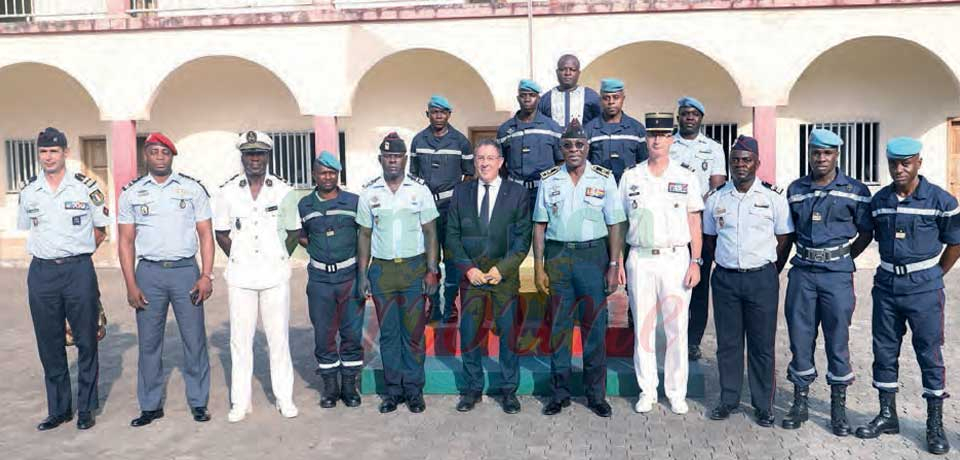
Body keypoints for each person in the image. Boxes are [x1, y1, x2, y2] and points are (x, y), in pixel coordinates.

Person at [855, 137, 959, 455]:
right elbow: (866, 234)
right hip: (887, 286)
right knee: (884, 352)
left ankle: (935, 425)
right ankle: (887, 416)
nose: (899, 169)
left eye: (906, 163)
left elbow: (955, 242)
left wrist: (934, 275)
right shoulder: (880, 200)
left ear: (918, 163)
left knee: (929, 354)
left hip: (924, 289)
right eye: (893, 163)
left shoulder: (942, 201)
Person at [117, 133, 215, 427]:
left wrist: (206, 275)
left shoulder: (192, 189)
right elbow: (125, 242)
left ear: (172, 156)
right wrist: (131, 283)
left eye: (165, 153)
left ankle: (198, 402)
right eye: (154, 152)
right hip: (149, 273)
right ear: (146, 156)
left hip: (186, 271)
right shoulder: (131, 193)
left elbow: (206, 235)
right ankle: (150, 405)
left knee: (194, 340)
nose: (160, 157)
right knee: (149, 343)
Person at [780, 128, 872, 435]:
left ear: (837, 156)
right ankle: (800, 403)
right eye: (816, 153)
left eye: (827, 153)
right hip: (803, 272)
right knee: (800, 337)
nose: (821, 158)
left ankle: (838, 409)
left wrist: (842, 258)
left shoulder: (856, 190)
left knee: (838, 339)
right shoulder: (796, 189)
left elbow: (866, 233)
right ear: (809, 154)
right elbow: (788, 233)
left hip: (836, 276)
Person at [17, 127, 109, 431]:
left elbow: (100, 230)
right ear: (39, 154)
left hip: (78, 271)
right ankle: (59, 410)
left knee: (86, 340)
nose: (48, 157)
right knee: (49, 343)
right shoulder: (29, 190)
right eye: (43, 151)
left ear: (65, 153)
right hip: (42, 273)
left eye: (54, 151)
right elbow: (27, 227)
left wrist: (77, 256)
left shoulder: (86, 187)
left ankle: (85, 408)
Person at [533, 119, 625, 418]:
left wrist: (613, 264)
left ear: (588, 147)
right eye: (568, 145)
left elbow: (614, 223)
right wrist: (539, 265)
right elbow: (539, 224)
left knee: (594, 327)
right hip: (558, 256)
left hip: (592, 256)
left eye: (579, 145)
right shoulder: (549, 180)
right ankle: (559, 393)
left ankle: (596, 394)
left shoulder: (604, 178)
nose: (574, 150)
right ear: (561, 148)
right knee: (559, 328)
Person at [703, 135, 793, 427]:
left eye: (746, 160)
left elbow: (784, 238)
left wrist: (769, 270)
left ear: (757, 163)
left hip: (761, 279)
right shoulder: (716, 198)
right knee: (728, 344)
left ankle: (763, 405)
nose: (740, 165)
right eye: (735, 160)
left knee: (761, 345)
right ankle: (728, 399)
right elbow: (709, 239)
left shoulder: (773, 197)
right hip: (726, 279)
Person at [617, 113, 703, 415]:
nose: (657, 140)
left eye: (663, 134)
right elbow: (621, 220)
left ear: (671, 138)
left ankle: (676, 391)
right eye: (652, 134)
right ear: (646, 138)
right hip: (640, 257)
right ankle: (648, 390)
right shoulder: (631, 177)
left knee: (677, 328)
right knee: (644, 326)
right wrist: (618, 260)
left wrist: (696, 261)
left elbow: (695, 220)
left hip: (675, 258)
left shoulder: (685, 176)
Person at [214, 130, 301, 422]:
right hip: (241, 276)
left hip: (275, 274)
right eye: (250, 154)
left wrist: (277, 255)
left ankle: (284, 398)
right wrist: (240, 256)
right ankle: (241, 403)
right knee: (240, 341)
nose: (254, 159)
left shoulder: (283, 190)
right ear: (242, 157)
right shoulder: (228, 191)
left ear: (267, 156)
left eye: (260, 154)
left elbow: (293, 232)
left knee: (278, 339)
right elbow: (221, 233)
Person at [356, 132, 440, 414]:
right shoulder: (369, 192)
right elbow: (364, 235)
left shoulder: (419, 190)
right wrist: (362, 274)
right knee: (389, 334)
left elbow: (431, 233)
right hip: (382, 271)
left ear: (405, 159)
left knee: (413, 333)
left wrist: (432, 270)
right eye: (388, 156)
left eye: (397, 156)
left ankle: (414, 391)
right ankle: (393, 392)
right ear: (381, 159)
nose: (393, 160)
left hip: (414, 268)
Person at [446, 139, 532, 414]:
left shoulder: (516, 193)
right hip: (471, 278)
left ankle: (509, 391)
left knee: (508, 335)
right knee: (470, 334)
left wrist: (501, 269)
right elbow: (452, 236)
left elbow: (522, 238)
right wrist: (468, 269)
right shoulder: (461, 193)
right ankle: (472, 390)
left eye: (490, 158)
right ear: (475, 162)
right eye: (480, 158)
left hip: (502, 278)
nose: (484, 163)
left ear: (501, 162)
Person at [297, 151, 363, 409]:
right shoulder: (305, 204)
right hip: (320, 278)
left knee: (351, 333)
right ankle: (330, 388)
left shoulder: (354, 201)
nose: (327, 177)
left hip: (349, 275)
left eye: (332, 173)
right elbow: (301, 235)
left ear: (338, 175)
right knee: (324, 334)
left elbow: (364, 236)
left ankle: (349, 387)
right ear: (314, 175)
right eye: (322, 172)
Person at [669, 96, 727, 362]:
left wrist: (696, 205)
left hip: (700, 227)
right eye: (685, 113)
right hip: (671, 224)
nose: (689, 118)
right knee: (670, 283)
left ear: (701, 118)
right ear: (678, 117)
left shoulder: (714, 148)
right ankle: (670, 336)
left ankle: (693, 341)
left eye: (694, 114)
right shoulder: (668, 144)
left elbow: (717, 185)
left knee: (699, 286)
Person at [409, 95, 474, 324]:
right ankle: (433, 306)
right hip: (426, 208)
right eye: (434, 112)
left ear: (449, 115)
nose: (438, 116)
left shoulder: (461, 141)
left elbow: (469, 174)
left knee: (453, 257)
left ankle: (451, 307)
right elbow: (413, 175)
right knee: (429, 258)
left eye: (443, 112)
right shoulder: (418, 141)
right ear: (427, 114)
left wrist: (460, 201)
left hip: (451, 207)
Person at [497, 79, 562, 212]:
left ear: (538, 98)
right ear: (518, 98)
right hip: (515, 193)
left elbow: (561, 161)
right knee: (517, 230)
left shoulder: (552, 127)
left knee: (544, 230)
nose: (527, 99)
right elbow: (500, 164)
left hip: (545, 191)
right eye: (523, 95)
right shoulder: (505, 129)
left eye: (532, 95)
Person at [584, 78, 648, 183]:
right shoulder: (589, 130)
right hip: (598, 188)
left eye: (616, 97)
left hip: (629, 187)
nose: (611, 102)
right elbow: (585, 165)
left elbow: (644, 163)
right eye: (606, 98)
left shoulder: (636, 129)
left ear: (623, 98)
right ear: (600, 100)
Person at [538, 54, 602, 128]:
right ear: (557, 72)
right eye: (563, 69)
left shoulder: (591, 96)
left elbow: (600, 123)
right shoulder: (546, 99)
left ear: (578, 73)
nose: (567, 73)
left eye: (572, 70)